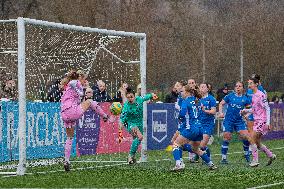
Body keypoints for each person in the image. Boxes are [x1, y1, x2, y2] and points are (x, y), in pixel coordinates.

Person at [60, 70, 109, 172]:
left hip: (65, 114)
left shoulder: (70, 87)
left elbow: (79, 99)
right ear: (80, 77)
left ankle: (66, 161)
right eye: (84, 79)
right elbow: (76, 85)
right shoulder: (75, 82)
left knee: (69, 138)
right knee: (90, 101)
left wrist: (82, 90)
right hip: (71, 111)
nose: (85, 81)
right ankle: (104, 116)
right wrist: (83, 88)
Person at [171, 85, 217, 171]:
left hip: (191, 128)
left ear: (187, 92)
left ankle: (178, 164)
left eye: (182, 91)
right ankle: (211, 164)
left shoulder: (186, 101)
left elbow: (182, 113)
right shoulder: (197, 101)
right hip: (200, 128)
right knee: (196, 149)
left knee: (176, 144)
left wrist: (180, 118)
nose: (181, 93)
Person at [241, 77, 276, 167]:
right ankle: (271, 155)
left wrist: (267, 122)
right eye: (248, 83)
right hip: (257, 121)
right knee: (257, 143)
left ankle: (255, 160)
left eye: (251, 83)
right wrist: (246, 111)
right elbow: (254, 109)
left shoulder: (261, 95)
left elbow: (267, 108)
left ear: (256, 84)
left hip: (262, 121)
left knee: (251, 138)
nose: (249, 85)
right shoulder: (253, 95)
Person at [119, 87, 157, 164]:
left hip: (139, 123)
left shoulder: (139, 99)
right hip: (130, 123)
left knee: (136, 140)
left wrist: (153, 95)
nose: (130, 99)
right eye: (128, 97)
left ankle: (132, 157)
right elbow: (122, 118)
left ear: (134, 96)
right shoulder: (126, 106)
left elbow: (148, 96)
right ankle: (130, 155)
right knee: (140, 137)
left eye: (131, 97)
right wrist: (120, 128)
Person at [218, 81, 252, 164]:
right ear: (234, 88)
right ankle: (224, 158)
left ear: (243, 88)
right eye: (236, 86)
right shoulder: (230, 96)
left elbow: (249, 109)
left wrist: (247, 114)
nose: (238, 87)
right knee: (227, 137)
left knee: (246, 136)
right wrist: (221, 112)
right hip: (228, 121)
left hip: (239, 121)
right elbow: (221, 104)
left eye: (240, 86)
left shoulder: (245, 98)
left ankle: (247, 154)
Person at [198, 83, 217, 160]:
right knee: (197, 144)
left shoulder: (211, 99)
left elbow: (213, 111)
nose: (201, 88)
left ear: (207, 89)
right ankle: (205, 156)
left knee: (202, 145)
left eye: (203, 87)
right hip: (199, 123)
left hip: (208, 124)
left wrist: (204, 110)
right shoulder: (197, 99)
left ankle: (208, 159)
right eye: (200, 87)